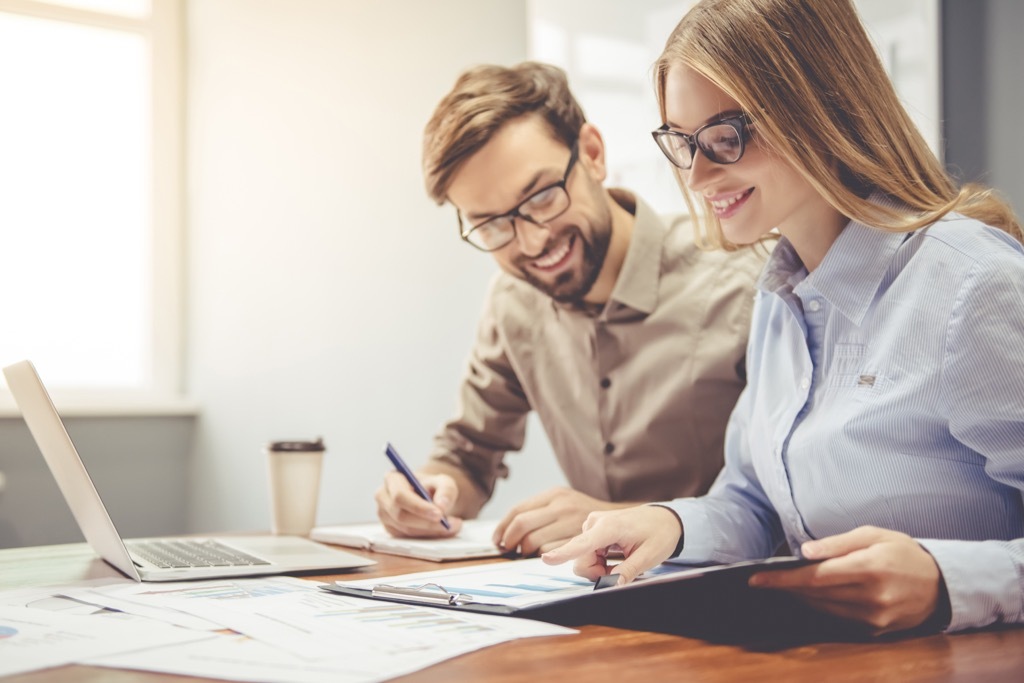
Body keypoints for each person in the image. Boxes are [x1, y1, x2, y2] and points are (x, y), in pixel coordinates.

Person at [543, 0, 1024, 636]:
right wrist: (671, 523)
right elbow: (755, 502)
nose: (698, 175)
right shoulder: (780, 293)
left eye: (724, 138)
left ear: (817, 112)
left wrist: (946, 579)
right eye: (682, 145)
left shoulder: (972, 284)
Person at [374, 62, 766, 555]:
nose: (533, 241)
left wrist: (611, 520)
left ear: (593, 154)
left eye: (541, 196)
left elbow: (776, 505)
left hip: (735, 597)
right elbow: (468, 456)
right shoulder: (514, 300)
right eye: (492, 225)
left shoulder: (743, 278)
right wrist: (430, 491)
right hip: (596, 601)